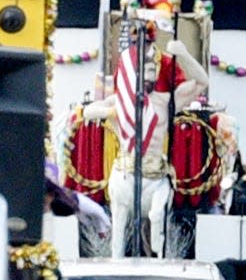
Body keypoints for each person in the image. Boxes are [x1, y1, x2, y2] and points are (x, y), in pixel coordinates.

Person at [83, 32, 209, 258]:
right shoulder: (122, 102)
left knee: (157, 215)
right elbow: (88, 111)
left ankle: (159, 260)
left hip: (156, 174)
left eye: (153, 72)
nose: (149, 76)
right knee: (119, 227)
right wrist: (111, 112)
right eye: (146, 72)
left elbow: (202, 82)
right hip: (126, 171)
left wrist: (184, 54)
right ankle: (116, 261)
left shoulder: (164, 102)